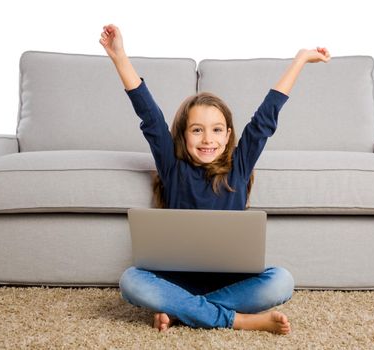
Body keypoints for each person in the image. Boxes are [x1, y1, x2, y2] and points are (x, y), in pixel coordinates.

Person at [99, 24, 330, 335]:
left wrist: (299, 60)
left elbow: (265, 119)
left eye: (217, 129)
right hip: (174, 279)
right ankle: (237, 319)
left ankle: (181, 310)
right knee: (131, 281)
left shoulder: (240, 165)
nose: (208, 139)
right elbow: (150, 117)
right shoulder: (173, 167)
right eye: (197, 130)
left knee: (282, 280)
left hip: (229, 281)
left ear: (229, 134)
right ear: (183, 135)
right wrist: (119, 57)